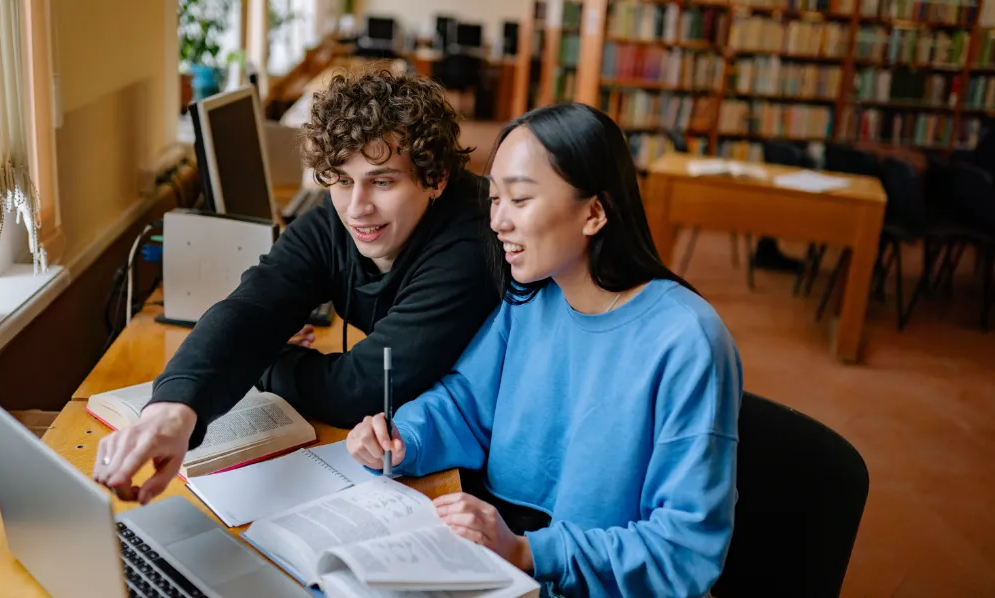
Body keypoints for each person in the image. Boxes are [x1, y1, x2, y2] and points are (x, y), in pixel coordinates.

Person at [347, 103, 743, 597]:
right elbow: (466, 402)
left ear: (594, 211)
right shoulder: (532, 296)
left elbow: (684, 551)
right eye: (493, 199)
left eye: (519, 199)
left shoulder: (687, 341)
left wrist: (529, 552)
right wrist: (406, 437)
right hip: (515, 570)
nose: (497, 222)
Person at [92, 67, 499, 505]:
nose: (357, 208)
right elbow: (255, 304)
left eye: (381, 181)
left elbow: (361, 389)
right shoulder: (338, 216)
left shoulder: (473, 238)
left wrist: (270, 358)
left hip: (480, 481)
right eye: (342, 180)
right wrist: (173, 409)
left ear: (435, 177)